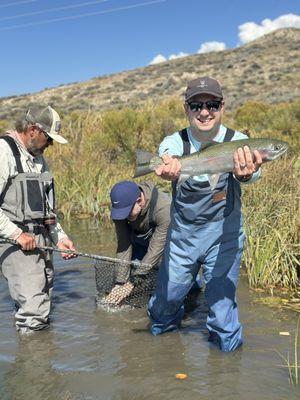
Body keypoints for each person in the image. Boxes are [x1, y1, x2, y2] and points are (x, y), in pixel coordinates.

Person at [148, 76, 262, 352]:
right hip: (183, 239)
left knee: (223, 314)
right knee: (166, 303)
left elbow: (254, 173)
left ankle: (226, 374)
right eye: (196, 105)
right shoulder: (175, 142)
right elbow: (166, 156)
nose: (204, 112)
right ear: (186, 109)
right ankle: (159, 359)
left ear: (222, 106)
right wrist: (166, 169)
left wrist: (246, 175)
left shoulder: (240, 141)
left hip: (224, 237)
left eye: (211, 105)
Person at [0, 105, 77, 334]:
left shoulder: (38, 159)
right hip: (15, 243)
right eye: (48, 138)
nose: (50, 144)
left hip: (41, 243)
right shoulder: (4, 152)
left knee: (41, 307)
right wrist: (16, 234)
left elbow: (47, 209)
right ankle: (35, 366)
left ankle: (41, 362)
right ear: (33, 130)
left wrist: (60, 237)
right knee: (33, 314)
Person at [104, 180, 171, 305]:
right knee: (125, 274)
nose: (123, 217)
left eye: (127, 213)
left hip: (165, 241)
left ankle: (193, 285)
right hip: (139, 239)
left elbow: (155, 251)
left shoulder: (163, 209)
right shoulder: (121, 208)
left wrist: (133, 282)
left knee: (174, 279)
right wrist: (121, 283)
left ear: (139, 201)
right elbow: (124, 244)